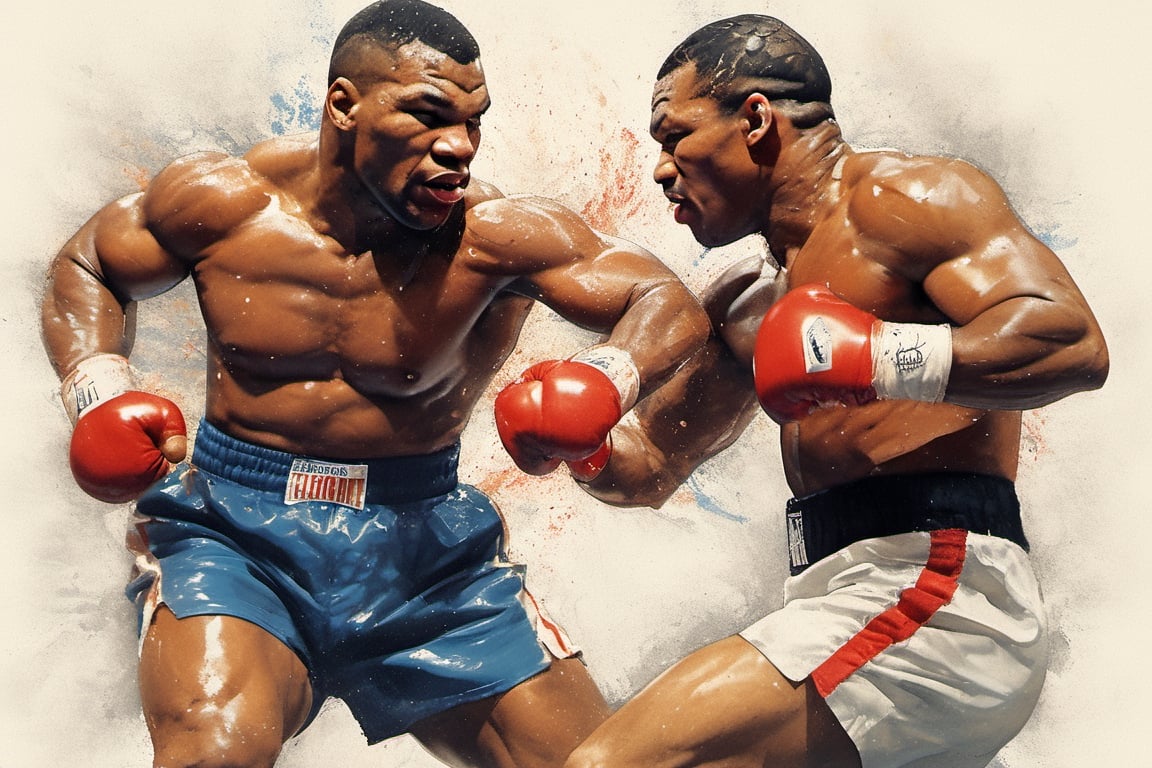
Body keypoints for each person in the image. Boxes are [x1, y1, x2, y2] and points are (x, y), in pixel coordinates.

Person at [39, 2, 711, 766]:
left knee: (595, 764)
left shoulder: (493, 238)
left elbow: (664, 302)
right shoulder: (225, 205)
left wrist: (603, 377)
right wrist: (94, 387)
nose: (457, 147)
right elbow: (90, 262)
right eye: (428, 116)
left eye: (472, 122)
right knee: (213, 754)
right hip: (233, 536)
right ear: (343, 106)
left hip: (428, 558)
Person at [555, 14, 1109, 768]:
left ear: (754, 120)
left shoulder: (909, 199)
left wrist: (876, 355)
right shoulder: (750, 299)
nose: (660, 168)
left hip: (941, 592)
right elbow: (650, 462)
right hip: (835, 592)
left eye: (673, 136)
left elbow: (1073, 343)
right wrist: (578, 438)